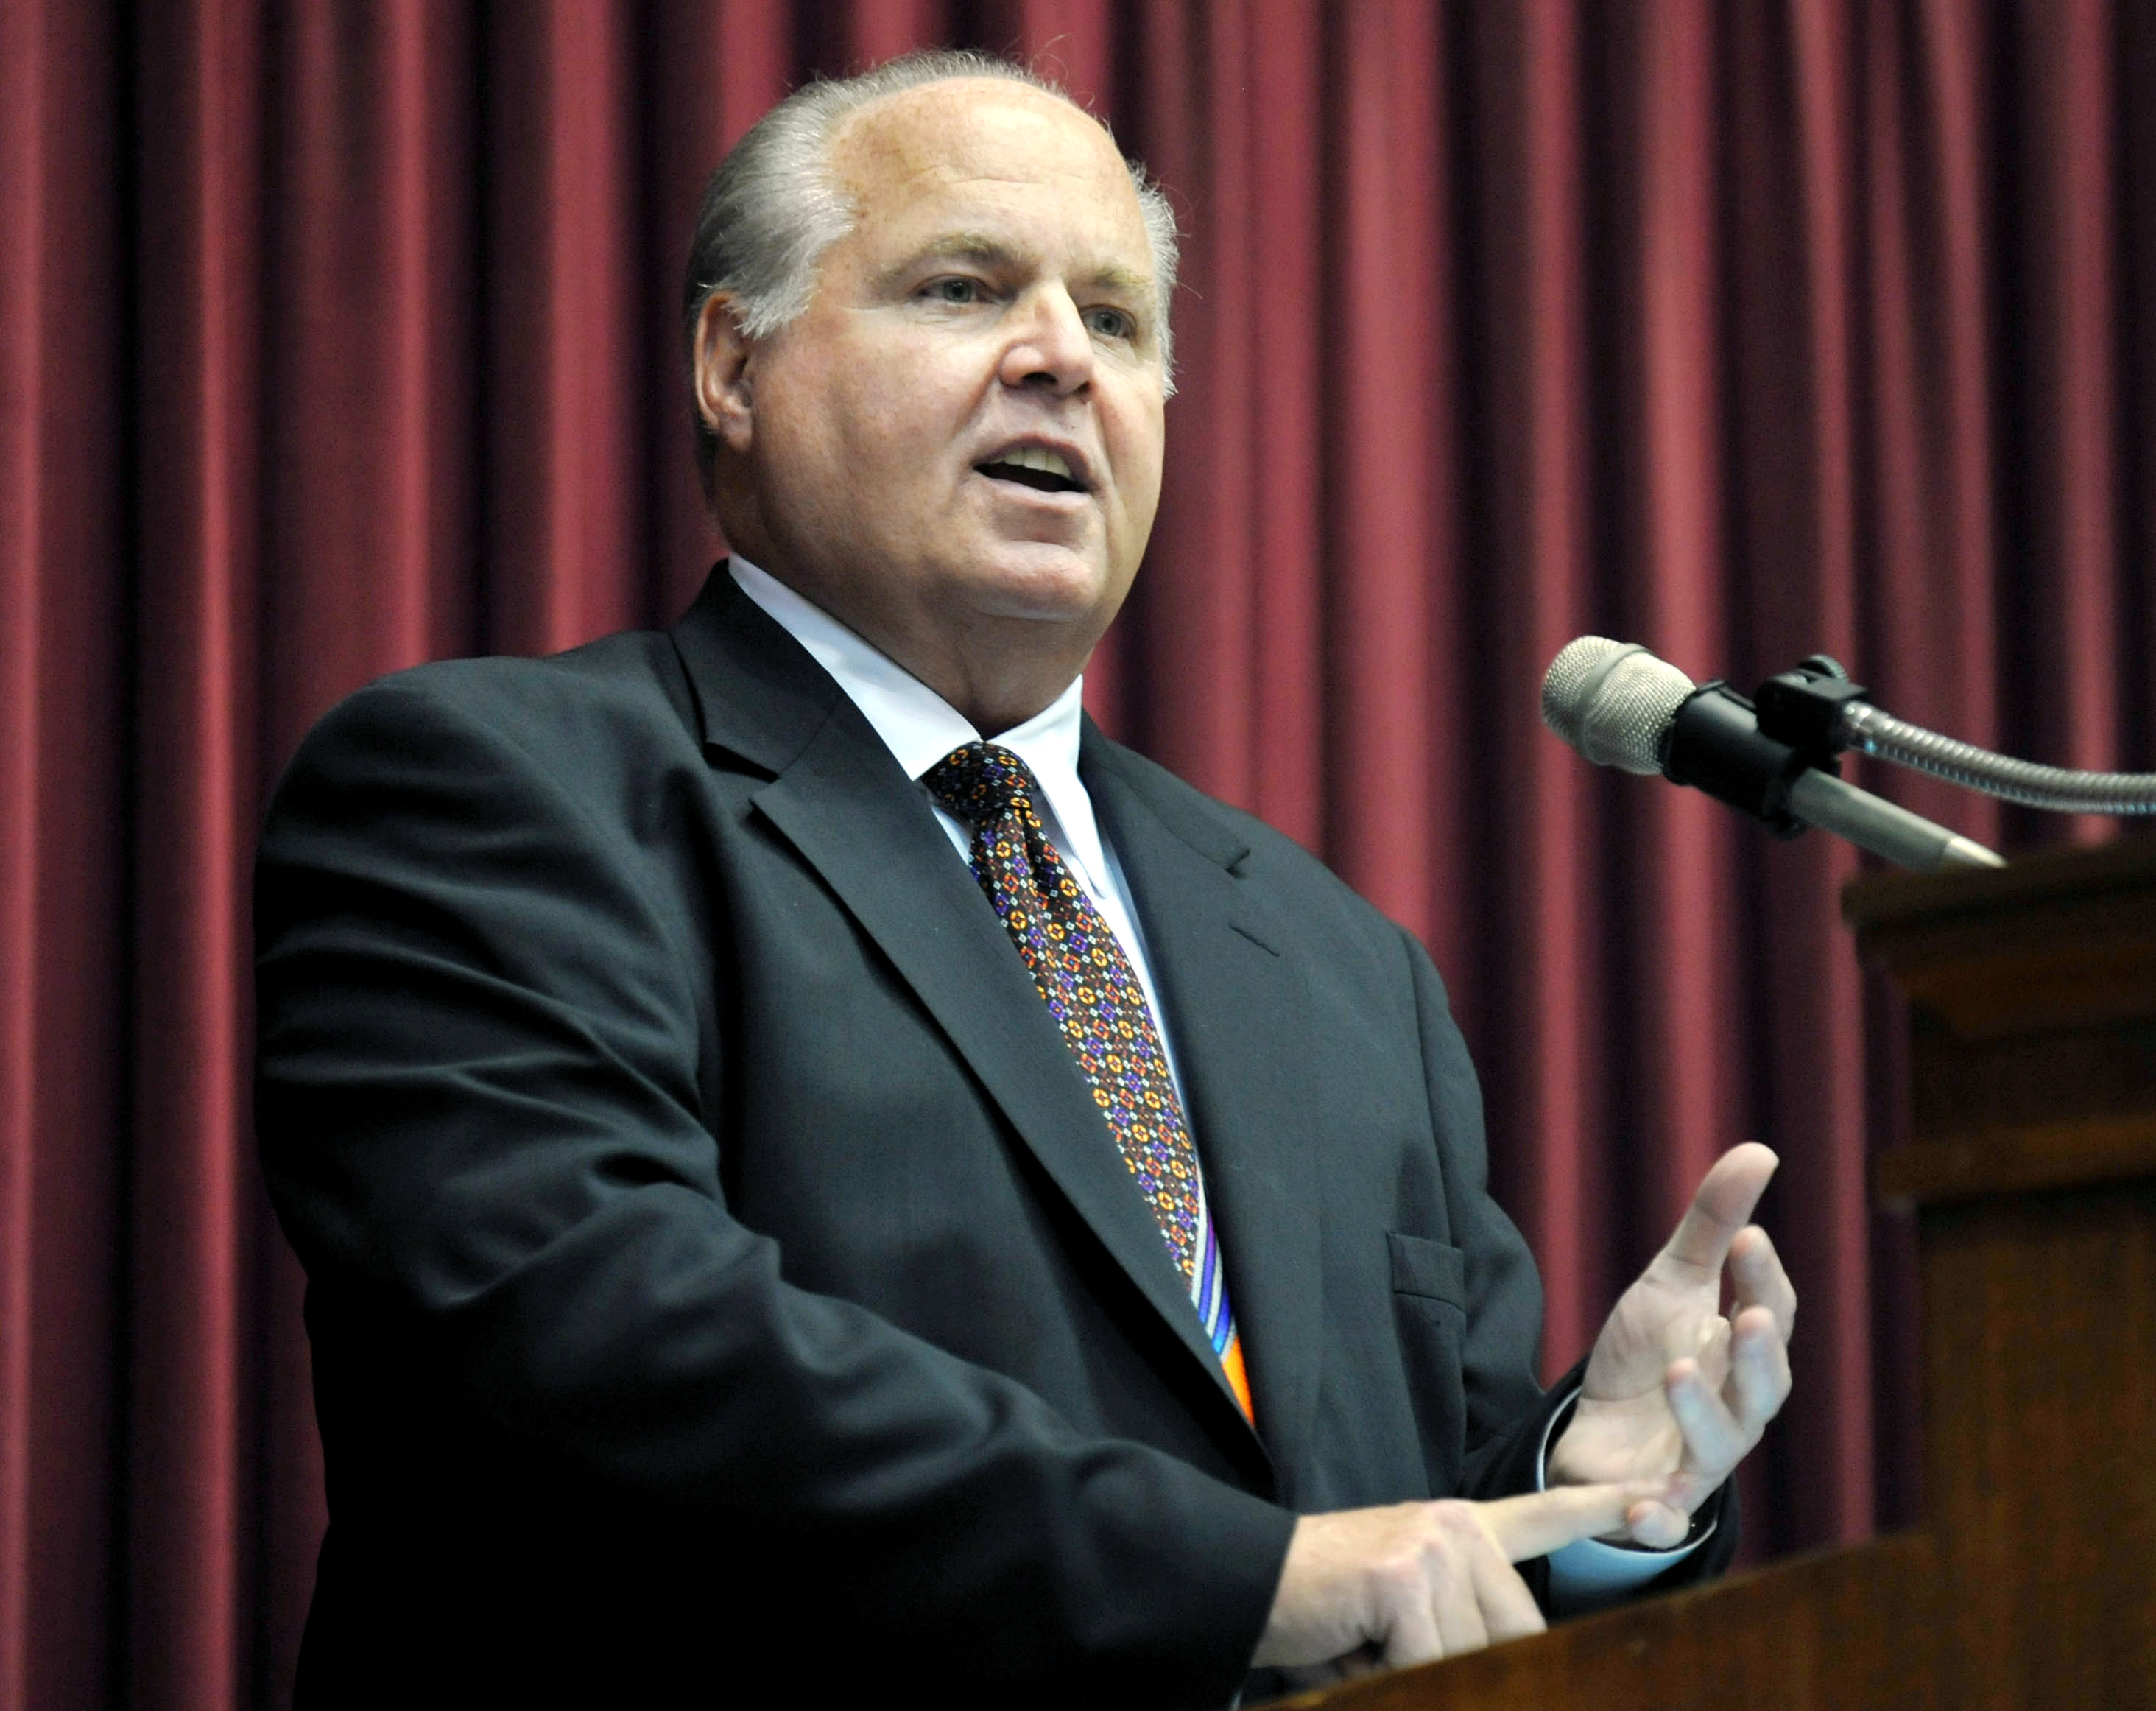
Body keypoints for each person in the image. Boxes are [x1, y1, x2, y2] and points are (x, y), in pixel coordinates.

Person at [255, 50, 1794, 1710]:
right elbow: (604, 1348)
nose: (1063, 359)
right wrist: (1246, 1579)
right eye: (962, 286)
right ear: (732, 361)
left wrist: (1597, 1492)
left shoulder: (1338, 961)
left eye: (1121, 323)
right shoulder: (495, 793)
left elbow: (1408, 1545)